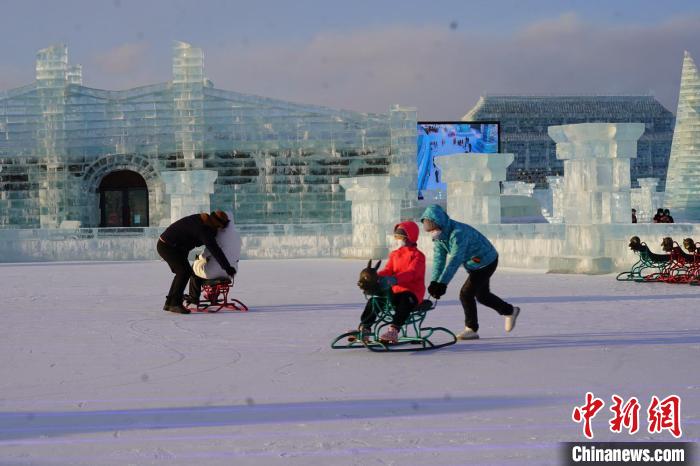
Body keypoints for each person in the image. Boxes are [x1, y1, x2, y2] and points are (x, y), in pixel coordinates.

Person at [420, 204, 520, 340]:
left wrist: (442, 284)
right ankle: (510, 311)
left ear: (440, 224)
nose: (433, 232)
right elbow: (439, 260)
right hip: (474, 264)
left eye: (434, 229)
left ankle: (471, 329)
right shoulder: (441, 237)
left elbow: (455, 260)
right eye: (429, 230)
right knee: (482, 296)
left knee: (466, 294)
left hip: (486, 261)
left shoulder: (458, 233)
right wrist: (434, 281)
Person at [355, 222, 426, 344]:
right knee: (375, 299)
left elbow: (412, 273)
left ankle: (394, 330)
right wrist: (375, 277)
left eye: (400, 237)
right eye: (396, 237)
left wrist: (395, 279)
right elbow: (388, 269)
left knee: (405, 299)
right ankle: (365, 328)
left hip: (412, 292)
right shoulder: (395, 254)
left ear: (409, 237)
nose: (397, 240)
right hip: (395, 291)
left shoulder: (418, 256)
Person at [157, 210, 236, 314]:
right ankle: (174, 303)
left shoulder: (205, 222)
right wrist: (227, 267)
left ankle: (170, 302)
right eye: (221, 226)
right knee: (184, 272)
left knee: (183, 272)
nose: (221, 229)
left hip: (177, 247)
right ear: (216, 223)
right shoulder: (203, 229)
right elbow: (214, 249)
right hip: (168, 246)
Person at [186, 210, 242, 306]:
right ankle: (213, 295)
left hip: (214, 272)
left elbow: (205, 255)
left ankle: (193, 297)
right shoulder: (237, 237)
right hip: (231, 273)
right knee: (206, 269)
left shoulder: (219, 237)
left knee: (195, 270)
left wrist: (198, 258)